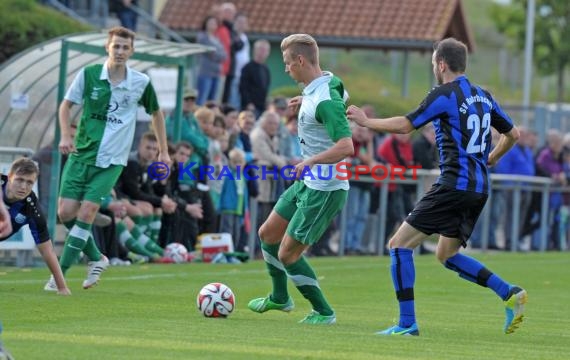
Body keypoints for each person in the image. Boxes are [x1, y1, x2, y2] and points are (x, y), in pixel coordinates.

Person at [347, 37, 526, 335]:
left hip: (454, 183)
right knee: (446, 255)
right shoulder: (484, 95)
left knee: (398, 245)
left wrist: (366, 121)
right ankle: (509, 293)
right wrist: (491, 158)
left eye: (433, 62)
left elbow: (406, 125)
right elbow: (514, 134)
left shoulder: (443, 94)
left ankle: (407, 324)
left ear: (441, 63)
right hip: (479, 188)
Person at [52, 26, 170, 290]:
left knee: (87, 210)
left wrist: (163, 151)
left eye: (125, 47)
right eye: (116, 46)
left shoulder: (140, 82)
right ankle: (97, 257)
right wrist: (65, 136)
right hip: (82, 154)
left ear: (132, 51)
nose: (119, 51)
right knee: (65, 213)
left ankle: (59, 277)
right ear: (107, 47)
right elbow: (66, 105)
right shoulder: (89, 74)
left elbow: (156, 114)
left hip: (112, 160)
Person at [248, 34, 353, 324]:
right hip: (308, 182)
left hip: (325, 187)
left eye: (287, 63)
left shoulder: (324, 99)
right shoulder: (325, 83)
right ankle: (280, 298)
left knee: (288, 254)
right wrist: (304, 100)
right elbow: (341, 95)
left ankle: (324, 312)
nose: (285, 69)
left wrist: (310, 160)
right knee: (267, 234)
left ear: (301, 60)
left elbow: (346, 145)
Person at [1, 158, 70, 295]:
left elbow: (47, 251)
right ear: (9, 177)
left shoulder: (32, 209)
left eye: (29, 182)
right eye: (19, 180)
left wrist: (62, 287)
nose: (23, 187)